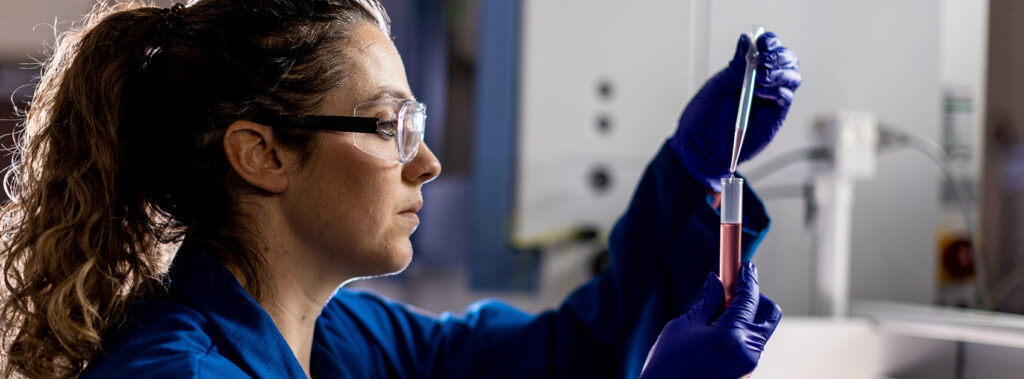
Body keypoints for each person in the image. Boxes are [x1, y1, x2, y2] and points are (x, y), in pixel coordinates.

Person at [0, 0, 800, 378]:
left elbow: (564, 359)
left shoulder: (346, 340)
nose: (428, 164)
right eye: (390, 127)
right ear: (262, 154)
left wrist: (689, 170)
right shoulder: (174, 377)